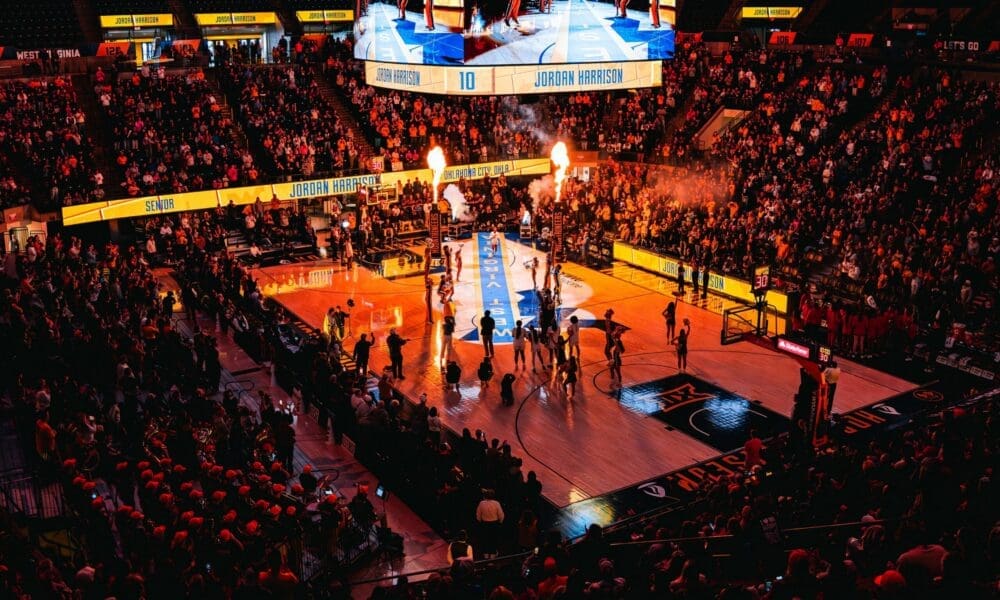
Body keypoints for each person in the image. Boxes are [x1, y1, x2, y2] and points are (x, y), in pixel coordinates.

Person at [475, 489, 504, 558]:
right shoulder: (496, 503)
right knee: (493, 539)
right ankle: (492, 554)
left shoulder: (482, 503)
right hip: (494, 524)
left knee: (485, 539)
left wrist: (479, 520)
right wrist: (500, 522)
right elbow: (501, 514)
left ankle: (486, 554)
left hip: (485, 524)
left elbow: (478, 514)